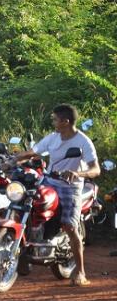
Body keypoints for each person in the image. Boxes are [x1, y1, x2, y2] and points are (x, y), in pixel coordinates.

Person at [13, 104, 100, 286]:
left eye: (54, 119)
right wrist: (12, 160)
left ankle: (81, 272)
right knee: (24, 207)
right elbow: (34, 152)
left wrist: (78, 174)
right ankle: (23, 253)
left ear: (65, 122)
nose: (52, 122)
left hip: (71, 187)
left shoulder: (83, 142)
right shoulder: (53, 138)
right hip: (49, 181)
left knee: (69, 226)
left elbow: (95, 169)